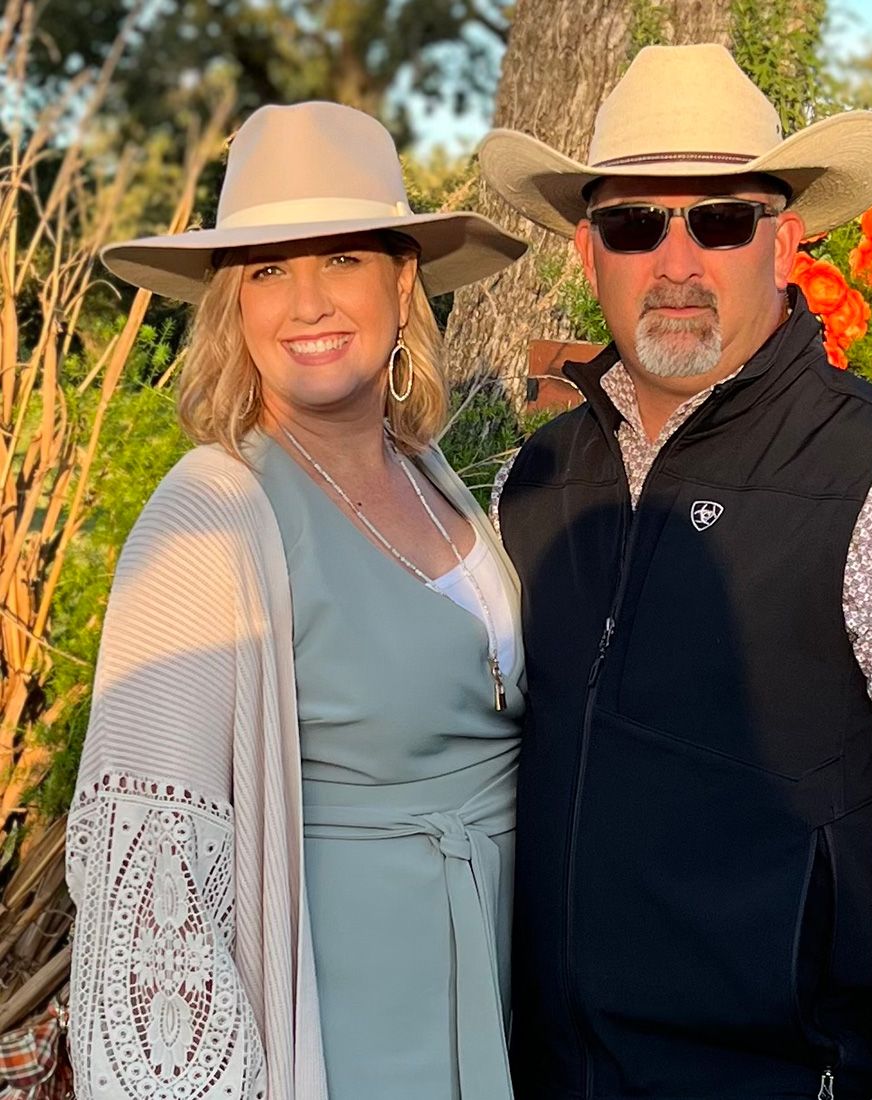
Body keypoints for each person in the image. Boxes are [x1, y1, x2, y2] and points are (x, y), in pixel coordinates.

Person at [481, 44, 872, 1100]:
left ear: (785, 240)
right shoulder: (533, 482)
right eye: (632, 223)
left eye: (717, 219)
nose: (674, 263)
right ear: (585, 251)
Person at [65, 101, 528, 1100]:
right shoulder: (214, 512)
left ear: (403, 282)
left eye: (343, 259)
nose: (307, 300)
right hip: (352, 1034)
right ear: (232, 304)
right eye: (268, 268)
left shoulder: (428, 469)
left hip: (494, 999)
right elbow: (154, 886)